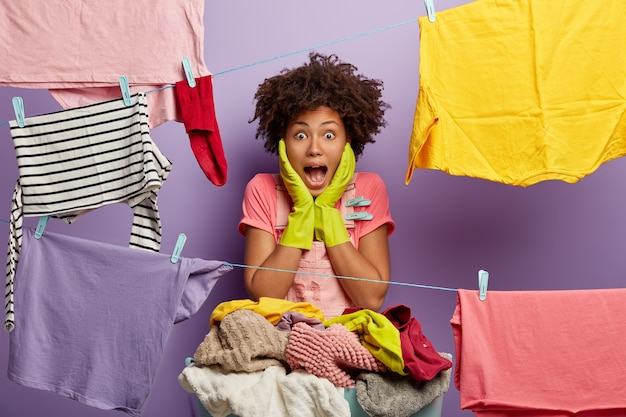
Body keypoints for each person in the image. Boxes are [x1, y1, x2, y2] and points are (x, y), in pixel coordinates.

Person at [238, 52, 395, 319]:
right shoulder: (261, 189)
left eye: (329, 135)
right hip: (279, 341)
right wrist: (302, 212)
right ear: (282, 141)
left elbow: (371, 299)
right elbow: (264, 296)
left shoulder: (370, 188)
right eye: (300, 135)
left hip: (348, 340)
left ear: (349, 141)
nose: (314, 149)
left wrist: (327, 212)